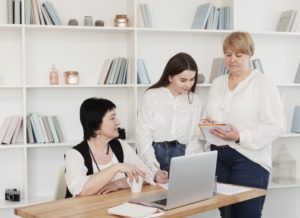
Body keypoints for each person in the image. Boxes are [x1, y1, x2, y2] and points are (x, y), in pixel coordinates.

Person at [202, 32, 284, 218]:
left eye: (239, 55)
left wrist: (240, 136)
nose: (232, 60)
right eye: (228, 54)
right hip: (218, 157)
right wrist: (207, 123)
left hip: (249, 159)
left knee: (247, 214)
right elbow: (210, 116)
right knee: (226, 214)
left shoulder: (263, 84)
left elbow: (275, 125)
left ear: (250, 54)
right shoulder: (217, 83)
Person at [65, 98, 154, 197]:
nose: (118, 122)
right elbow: (81, 190)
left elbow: (147, 176)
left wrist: (117, 184)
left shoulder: (121, 146)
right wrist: (117, 167)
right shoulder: (74, 154)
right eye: (112, 118)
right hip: (87, 210)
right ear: (96, 128)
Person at [137, 52, 203, 184]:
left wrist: (189, 166)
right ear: (170, 77)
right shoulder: (151, 96)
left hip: (183, 158)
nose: (188, 85)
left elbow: (192, 139)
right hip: (156, 155)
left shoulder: (195, 100)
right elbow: (143, 136)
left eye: (192, 79)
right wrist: (154, 169)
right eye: (183, 80)